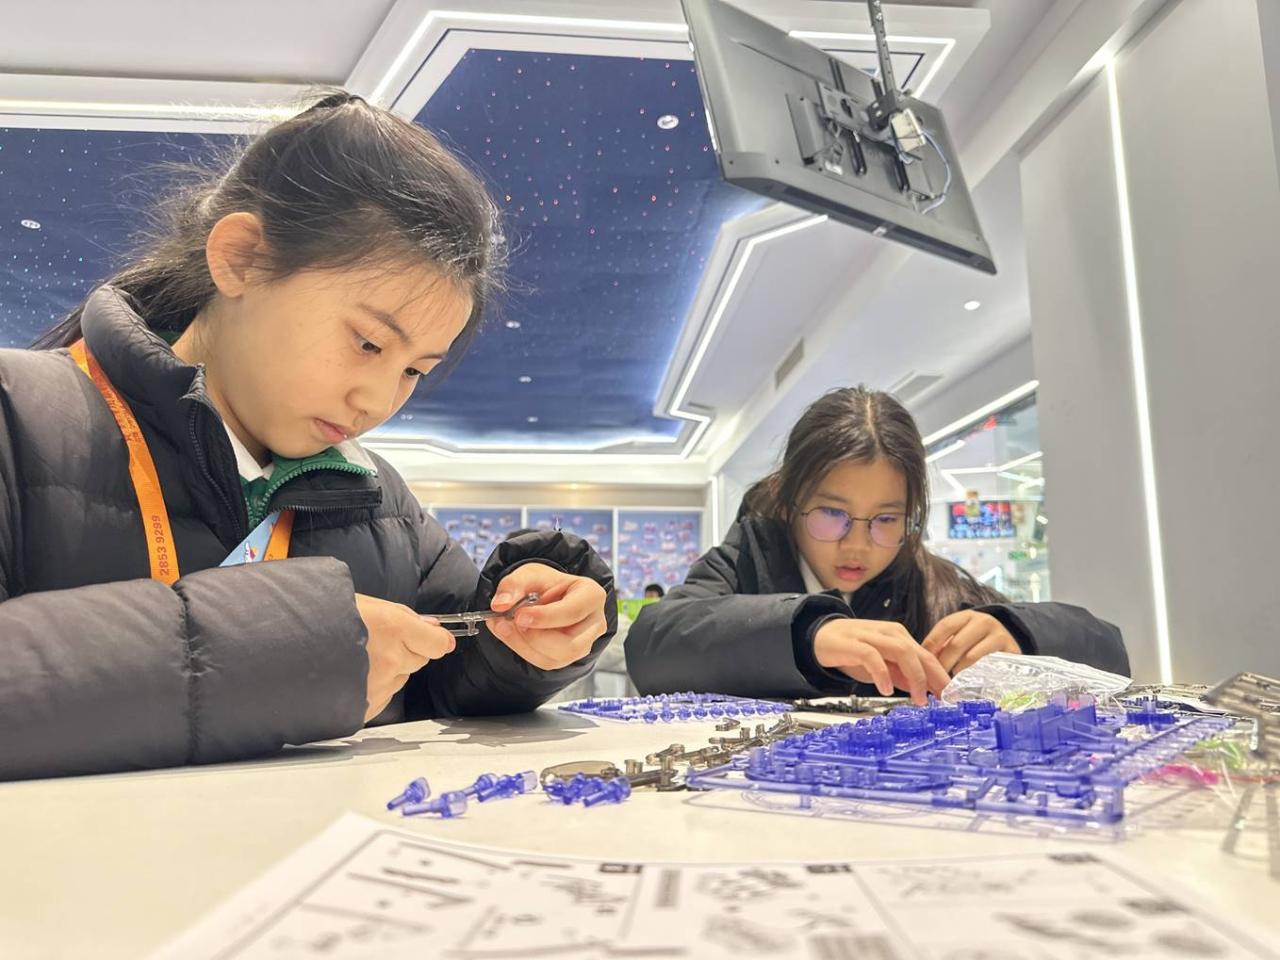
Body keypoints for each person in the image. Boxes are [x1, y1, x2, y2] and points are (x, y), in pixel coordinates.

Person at [0, 91, 614, 781]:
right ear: (242, 258)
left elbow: (449, 678)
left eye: (413, 370)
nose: (377, 402)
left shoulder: (379, 499)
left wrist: (530, 637)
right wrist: (282, 655)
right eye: (367, 342)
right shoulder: (17, 418)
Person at [626, 387, 1127, 701]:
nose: (858, 546)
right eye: (832, 514)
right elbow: (652, 646)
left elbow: (1110, 653)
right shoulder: (745, 560)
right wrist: (807, 634)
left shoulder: (931, 584)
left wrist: (1019, 632)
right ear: (789, 501)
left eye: (886, 520)